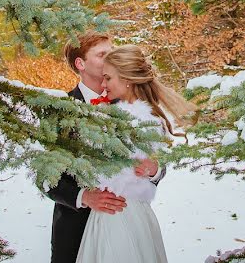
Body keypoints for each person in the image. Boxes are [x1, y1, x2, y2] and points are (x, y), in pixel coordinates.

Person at [45, 32, 166, 263]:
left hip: (126, 226)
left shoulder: (130, 102)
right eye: (102, 54)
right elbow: (46, 177)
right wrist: (84, 197)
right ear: (80, 63)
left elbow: (157, 157)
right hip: (74, 230)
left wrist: (154, 170)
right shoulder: (59, 110)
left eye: (112, 50)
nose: (111, 56)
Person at [75, 45, 195, 263]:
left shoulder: (141, 120)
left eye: (108, 78)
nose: (103, 84)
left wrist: (153, 168)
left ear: (127, 79)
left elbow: (117, 168)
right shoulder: (119, 115)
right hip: (109, 213)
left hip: (121, 214)